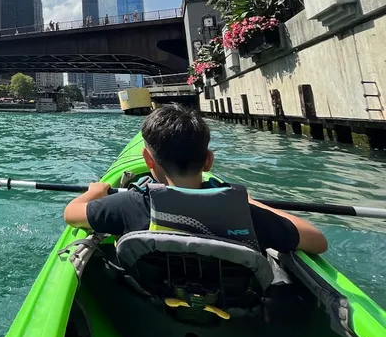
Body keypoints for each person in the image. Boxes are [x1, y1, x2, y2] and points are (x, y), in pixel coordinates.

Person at [64, 104, 328, 255]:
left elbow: (71, 213)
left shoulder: (133, 206)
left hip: (156, 300)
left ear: (148, 160)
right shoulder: (242, 214)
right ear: (208, 160)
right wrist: (251, 203)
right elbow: (317, 240)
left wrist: (95, 190)